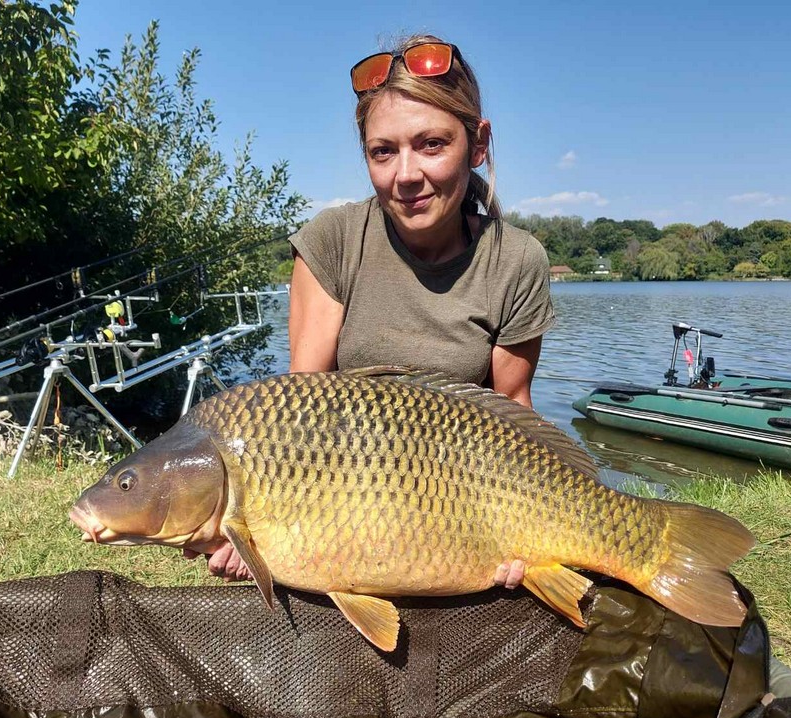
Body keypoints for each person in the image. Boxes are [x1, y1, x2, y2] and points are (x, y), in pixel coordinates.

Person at [187, 34, 555, 588]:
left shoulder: (517, 259)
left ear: (478, 144)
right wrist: (257, 532)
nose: (405, 174)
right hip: (346, 509)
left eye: (431, 144)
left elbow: (514, 409)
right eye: (383, 151)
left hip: (466, 507)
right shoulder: (332, 240)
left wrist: (530, 529)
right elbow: (295, 420)